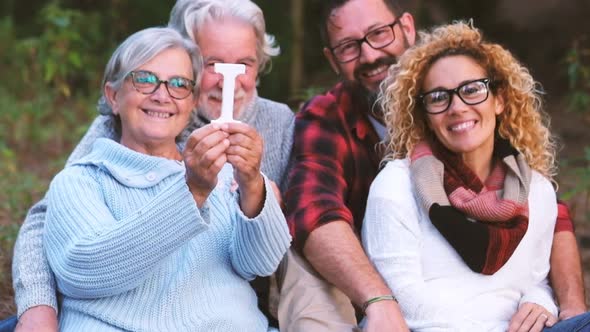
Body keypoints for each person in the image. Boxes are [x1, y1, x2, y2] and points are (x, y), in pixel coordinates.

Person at [280, 0, 586, 331]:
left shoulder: (524, 181)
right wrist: (378, 301)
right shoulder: (351, 141)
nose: (369, 56)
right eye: (349, 47)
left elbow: (549, 222)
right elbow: (314, 213)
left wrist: (558, 302)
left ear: (407, 28)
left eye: (379, 34)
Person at [11, 0, 294, 331]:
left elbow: (257, 262)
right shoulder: (94, 165)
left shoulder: (274, 128)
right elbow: (56, 232)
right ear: (113, 97)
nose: (162, 95)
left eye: (177, 84)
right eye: (212, 63)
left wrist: (255, 192)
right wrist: (37, 305)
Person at [362, 21, 590, 332]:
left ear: (499, 100)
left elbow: (536, 279)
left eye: (472, 90)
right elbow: (403, 302)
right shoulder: (396, 186)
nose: (457, 107)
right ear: (426, 116)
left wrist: (543, 301)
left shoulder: (536, 190)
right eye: (439, 97)